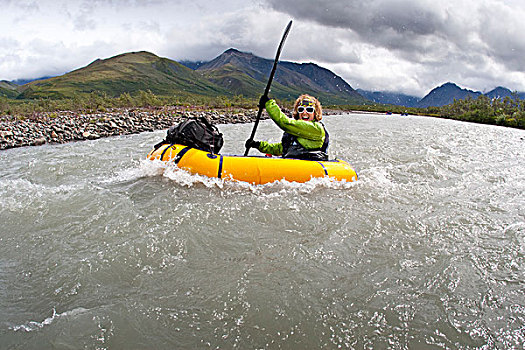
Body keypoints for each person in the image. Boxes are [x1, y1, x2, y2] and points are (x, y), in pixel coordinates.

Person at [245, 94, 329, 160]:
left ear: (315, 113)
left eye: (309, 110)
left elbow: (285, 123)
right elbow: (281, 149)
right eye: (301, 109)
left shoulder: (317, 129)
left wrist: (269, 104)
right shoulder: (295, 130)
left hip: (310, 167)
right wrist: (257, 145)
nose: (304, 113)